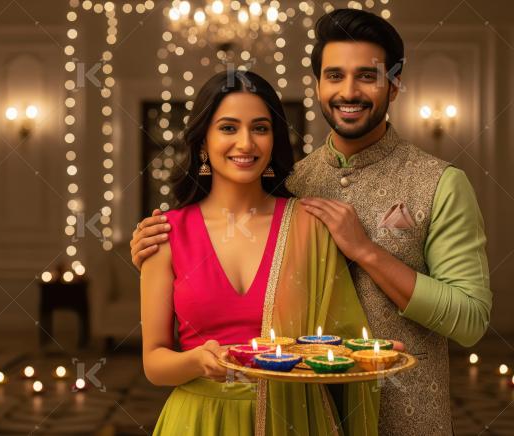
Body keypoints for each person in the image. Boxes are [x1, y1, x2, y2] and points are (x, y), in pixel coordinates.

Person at [133, 9, 492, 435]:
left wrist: (366, 251)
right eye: (335, 75)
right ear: (318, 85)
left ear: (395, 85)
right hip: (303, 412)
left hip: (406, 408)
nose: (349, 91)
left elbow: (471, 320)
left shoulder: (439, 183)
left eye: (367, 76)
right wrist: (159, 255)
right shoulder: (294, 183)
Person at [141, 69, 378, 435]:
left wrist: (369, 353)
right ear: (203, 141)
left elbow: (335, 341)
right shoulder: (164, 234)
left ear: (274, 139)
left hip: (295, 418)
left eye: (260, 128)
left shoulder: (309, 224)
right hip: (199, 421)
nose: (246, 143)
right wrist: (199, 361)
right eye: (228, 128)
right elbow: (154, 363)